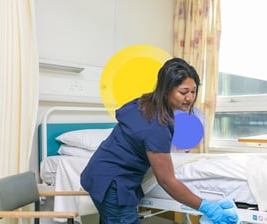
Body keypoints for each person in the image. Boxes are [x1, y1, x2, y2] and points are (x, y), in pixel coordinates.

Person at [80, 57, 239, 224]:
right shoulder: (156, 126)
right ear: (165, 90)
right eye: (183, 92)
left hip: (100, 174)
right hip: (112, 185)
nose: (190, 98)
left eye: (193, 91)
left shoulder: (146, 102)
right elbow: (167, 181)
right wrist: (205, 206)